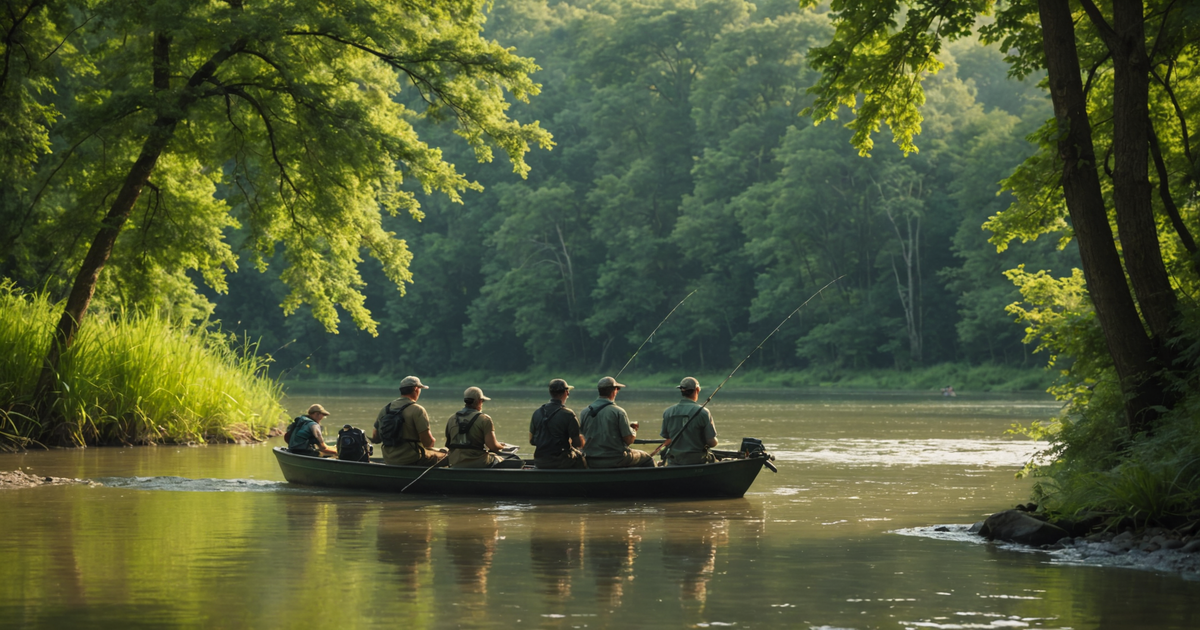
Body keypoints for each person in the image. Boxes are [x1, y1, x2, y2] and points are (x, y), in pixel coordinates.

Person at [371, 375, 447, 467]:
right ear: (416, 389)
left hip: (389, 458)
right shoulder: (417, 410)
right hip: (413, 459)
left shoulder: (386, 409)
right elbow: (428, 443)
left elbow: (375, 437)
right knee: (448, 456)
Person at [580, 376, 654, 468]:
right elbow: (628, 440)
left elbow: (581, 439)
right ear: (614, 391)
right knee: (647, 458)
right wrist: (634, 430)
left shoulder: (584, 412)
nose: (618, 391)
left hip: (590, 460)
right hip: (616, 459)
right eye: (617, 389)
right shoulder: (619, 412)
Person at [446, 386, 522, 468]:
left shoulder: (452, 418)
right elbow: (493, 447)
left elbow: (448, 444)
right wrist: (502, 446)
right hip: (478, 461)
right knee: (512, 459)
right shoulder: (484, 419)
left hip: (455, 461)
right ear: (479, 401)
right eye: (482, 401)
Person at [529, 378, 587, 469]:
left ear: (550, 393)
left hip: (540, 461)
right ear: (566, 392)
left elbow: (532, 441)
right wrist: (581, 439)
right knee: (580, 457)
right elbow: (578, 444)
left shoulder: (537, 413)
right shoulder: (568, 414)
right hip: (561, 462)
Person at [659, 376, 718, 465]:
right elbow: (711, 442)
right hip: (697, 461)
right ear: (697, 390)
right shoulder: (703, 412)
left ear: (681, 391)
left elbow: (667, 438)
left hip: (674, 461)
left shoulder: (668, 412)